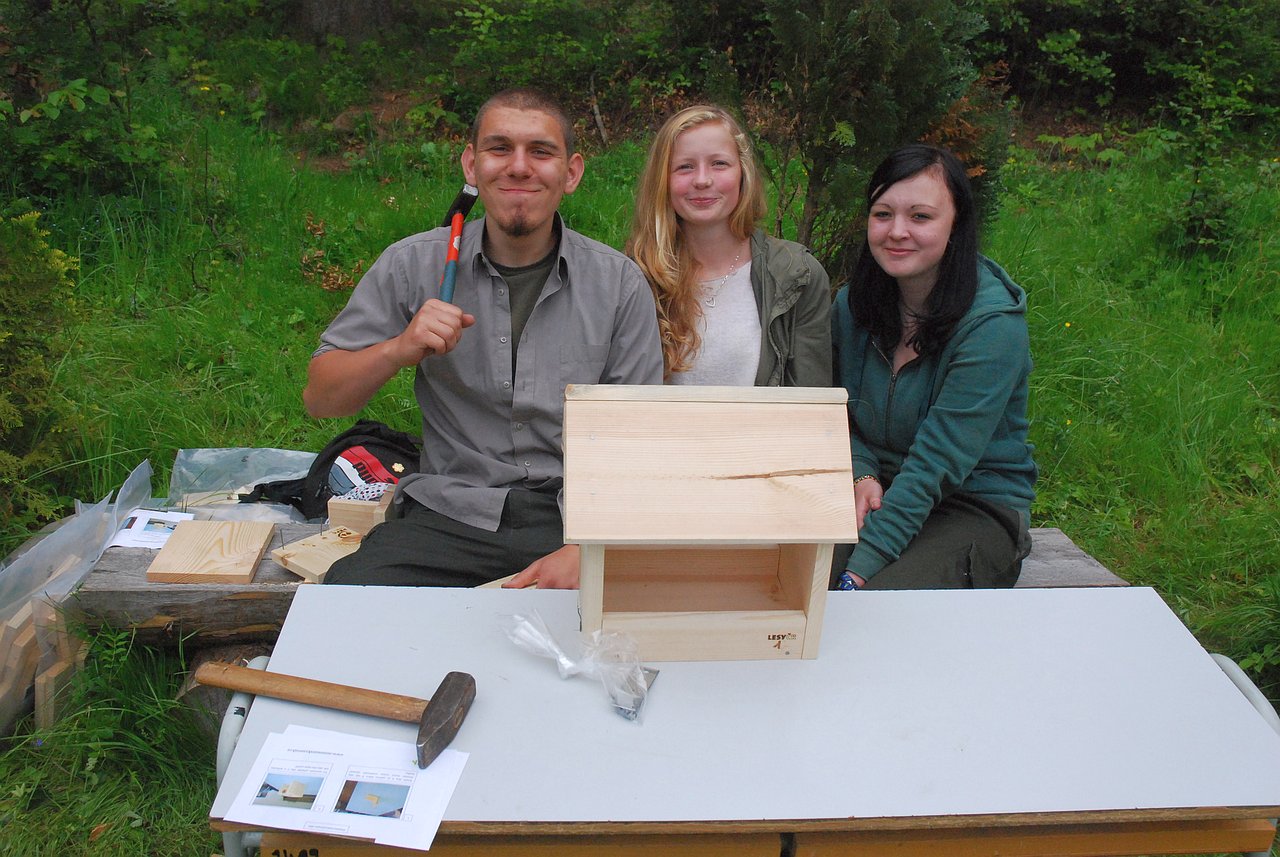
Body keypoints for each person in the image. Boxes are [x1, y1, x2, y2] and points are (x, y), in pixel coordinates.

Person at [304, 87, 663, 589]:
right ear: (472, 165)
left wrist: (588, 548)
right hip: (451, 515)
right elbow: (322, 399)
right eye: (500, 148)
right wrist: (397, 349)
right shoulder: (413, 264)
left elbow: (638, 437)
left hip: (575, 518)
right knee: (350, 601)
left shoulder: (618, 283)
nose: (519, 167)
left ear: (571, 172)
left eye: (541, 151)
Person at [831, 144, 1037, 590]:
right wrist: (861, 470)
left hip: (973, 504)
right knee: (789, 577)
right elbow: (835, 410)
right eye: (882, 214)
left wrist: (857, 571)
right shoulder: (853, 305)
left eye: (920, 217)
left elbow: (934, 466)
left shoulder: (992, 327)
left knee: (877, 607)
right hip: (875, 490)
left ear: (956, 224)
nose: (897, 231)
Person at [626, 105, 830, 386]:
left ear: (743, 173)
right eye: (685, 167)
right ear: (662, 180)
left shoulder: (797, 275)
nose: (702, 180)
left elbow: (812, 402)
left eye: (719, 163)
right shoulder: (633, 277)